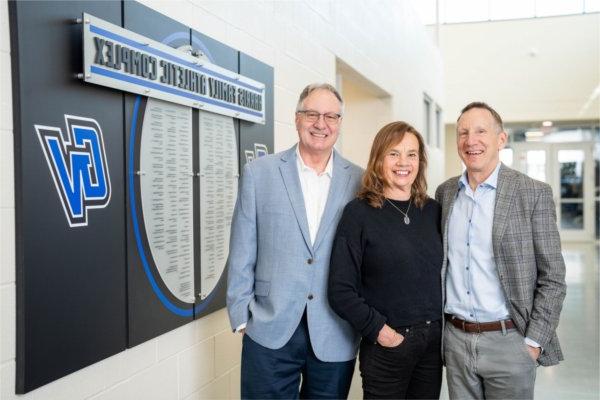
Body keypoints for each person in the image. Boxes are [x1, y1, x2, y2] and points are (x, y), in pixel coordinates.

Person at [226, 83, 363, 399]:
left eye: (331, 116)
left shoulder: (359, 180)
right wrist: (241, 316)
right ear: (297, 118)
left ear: (339, 124)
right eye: (312, 114)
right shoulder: (260, 173)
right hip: (269, 329)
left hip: (335, 330)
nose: (321, 124)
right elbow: (242, 248)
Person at [435, 102, 567, 399]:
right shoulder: (445, 194)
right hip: (455, 341)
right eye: (463, 133)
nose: (471, 141)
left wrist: (533, 342)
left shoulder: (532, 193)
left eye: (481, 131)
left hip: (510, 341)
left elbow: (553, 277)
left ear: (501, 139)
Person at [329, 121, 443, 399]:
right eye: (393, 153)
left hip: (432, 347)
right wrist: (381, 332)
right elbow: (340, 290)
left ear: (420, 161)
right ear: (378, 158)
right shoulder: (358, 214)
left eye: (411, 154)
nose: (403, 162)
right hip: (387, 346)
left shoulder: (433, 211)